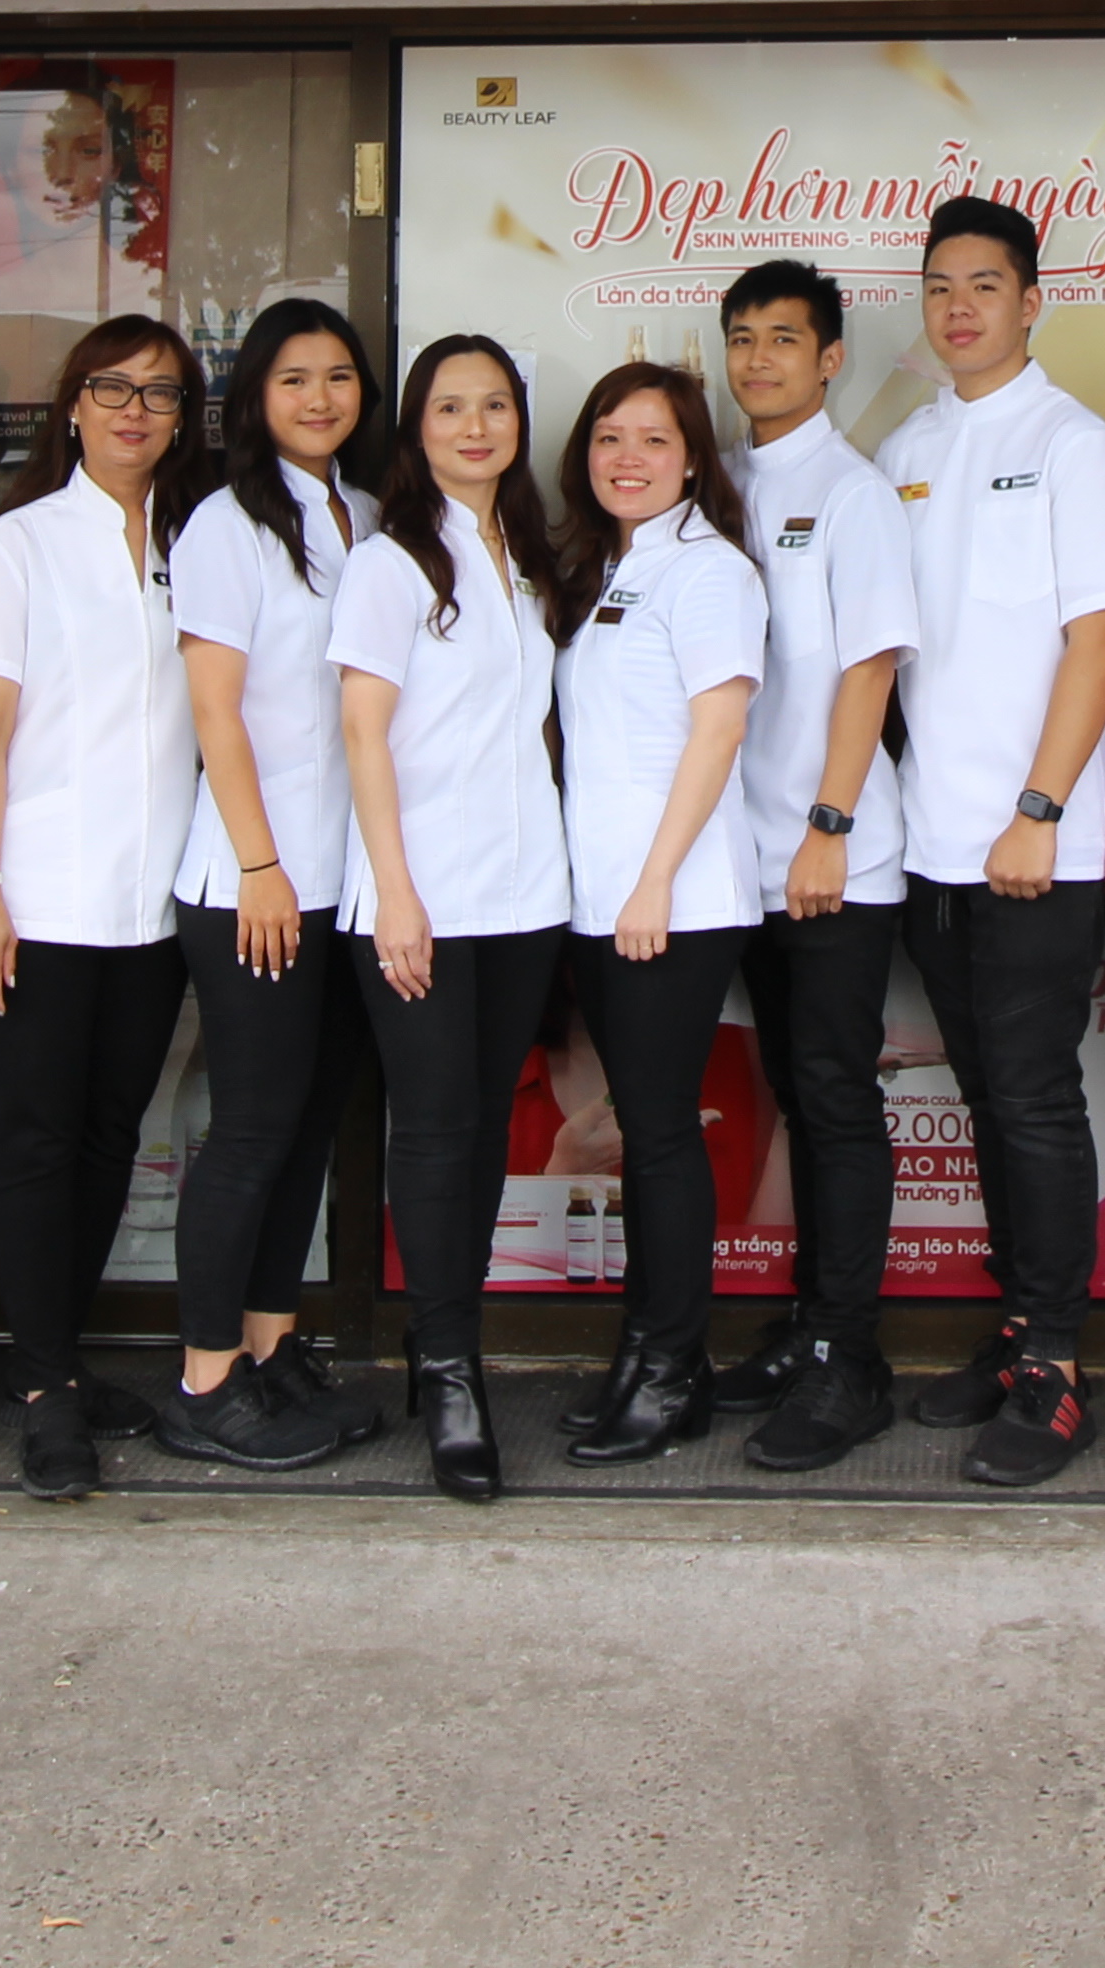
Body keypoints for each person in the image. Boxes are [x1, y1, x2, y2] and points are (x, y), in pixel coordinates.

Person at [881, 195, 1105, 1486]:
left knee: (1035, 1101)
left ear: (1032, 302)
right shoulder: (912, 444)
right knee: (988, 1098)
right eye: (939, 288)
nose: (960, 308)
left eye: (984, 285)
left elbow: (1099, 641)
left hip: (1036, 848)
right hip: (930, 848)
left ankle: (1056, 1368)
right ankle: (1014, 1328)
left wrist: (1041, 812)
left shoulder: (1074, 444)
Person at [0, 313, 205, 1500]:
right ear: (73, 406)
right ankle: (43, 1389)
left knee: (107, 1139)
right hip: (36, 900)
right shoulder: (18, 546)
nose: (134, 410)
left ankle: (64, 1358)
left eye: (159, 393)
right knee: (35, 1147)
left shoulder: (199, 544)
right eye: (113, 389)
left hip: (151, 910)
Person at [330, 336, 569, 1501]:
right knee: (430, 1130)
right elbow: (362, 734)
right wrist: (396, 893)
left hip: (526, 893)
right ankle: (449, 1368)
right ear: (417, 427)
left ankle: (448, 1349)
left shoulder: (528, 554)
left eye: (494, 406)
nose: (473, 426)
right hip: (419, 892)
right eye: (448, 407)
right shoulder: (392, 563)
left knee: (479, 1125)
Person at [152, 297, 389, 1471]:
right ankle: (203, 1380)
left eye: (338, 376)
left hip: (347, 885)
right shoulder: (223, 526)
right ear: (253, 396)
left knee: (304, 1131)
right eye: (293, 378)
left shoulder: (376, 516)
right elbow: (217, 712)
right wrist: (258, 865)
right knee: (251, 1129)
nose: (318, 398)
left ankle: (268, 1345)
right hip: (257, 878)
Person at [704, 258, 919, 1474]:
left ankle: (850, 1360)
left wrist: (830, 827)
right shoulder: (720, 480)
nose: (758, 360)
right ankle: (807, 1328)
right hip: (743, 860)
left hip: (831, 859)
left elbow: (867, 672)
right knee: (796, 1089)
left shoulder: (852, 492)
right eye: (742, 337)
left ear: (830, 357)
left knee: (837, 1103)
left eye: (783, 339)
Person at [537, 363, 767, 1463]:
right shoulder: (602, 568)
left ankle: (672, 1368)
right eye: (609, 437)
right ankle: (652, 1349)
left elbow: (717, 733)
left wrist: (655, 881)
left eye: (655, 440)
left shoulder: (708, 571)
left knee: (661, 1135)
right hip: (604, 899)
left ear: (691, 460)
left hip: (667, 901)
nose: (629, 457)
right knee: (643, 1130)